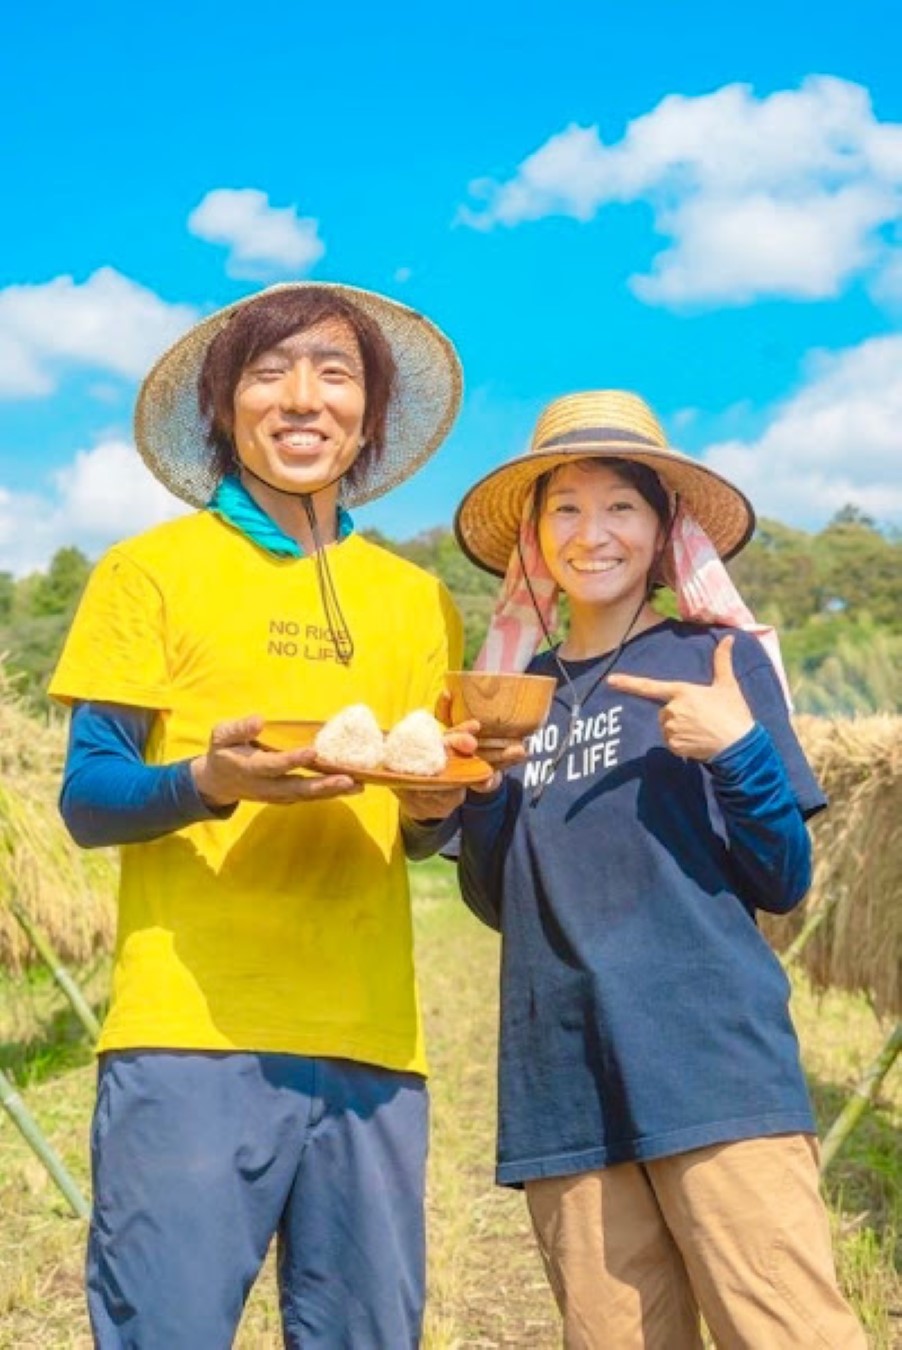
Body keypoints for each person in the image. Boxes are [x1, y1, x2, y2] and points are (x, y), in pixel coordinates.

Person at [50, 281, 469, 1349]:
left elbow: (422, 826)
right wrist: (206, 782)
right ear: (224, 406)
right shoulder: (149, 571)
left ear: (369, 417)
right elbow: (90, 798)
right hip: (192, 1036)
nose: (302, 398)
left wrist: (433, 806)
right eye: (269, 372)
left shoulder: (415, 600)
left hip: (373, 1041)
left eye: (335, 374)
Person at [447, 390, 867, 1348]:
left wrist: (738, 754)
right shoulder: (514, 696)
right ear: (533, 538)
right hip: (564, 1086)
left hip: (712, 1071)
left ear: (664, 528)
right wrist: (479, 795)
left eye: (620, 507)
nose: (592, 533)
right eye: (564, 509)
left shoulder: (712, 660)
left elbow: (783, 878)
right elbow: (496, 900)